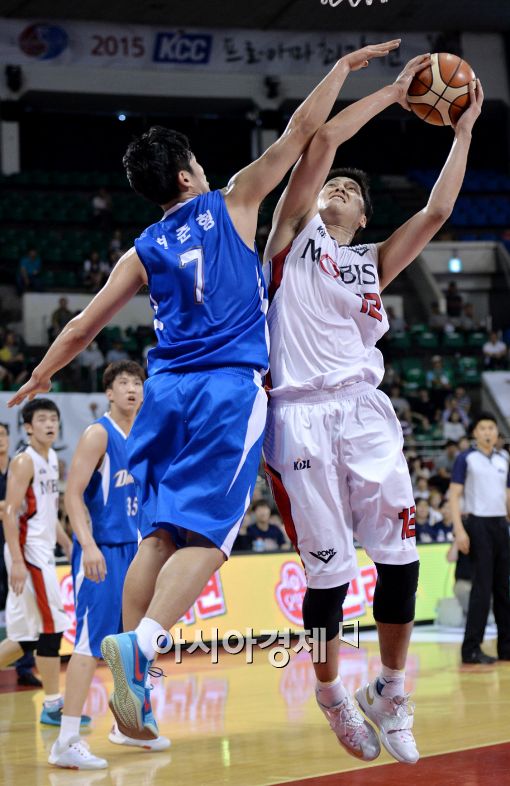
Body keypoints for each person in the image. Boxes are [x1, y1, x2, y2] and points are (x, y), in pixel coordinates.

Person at [8, 39, 403, 743]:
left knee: (160, 532)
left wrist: (41, 374)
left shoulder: (142, 247)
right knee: (212, 538)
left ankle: (133, 676)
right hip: (226, 390)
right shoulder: (233, 200)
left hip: (163, 392)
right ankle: (146, 646)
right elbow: (302, 134)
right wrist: (342, 72)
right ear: (190, 174)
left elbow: (81, 324)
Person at [262, 51, 483, 765]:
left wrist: (463, 130)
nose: (340, 187)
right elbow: (323, 141)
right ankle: (331, 695)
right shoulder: (292, 240)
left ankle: (389, 690)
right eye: (335, 184)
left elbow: (440, 210)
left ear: (363, 214)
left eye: (352, 190)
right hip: (296, 414)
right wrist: (392, 91)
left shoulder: (374, 263)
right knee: (327, 577)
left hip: (364, 410)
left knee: (398, 557)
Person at [49, 361, 170, 769]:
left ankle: (127, 726)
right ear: (109, 393)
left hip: (137, 550)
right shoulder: (98, 433)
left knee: (134, 645)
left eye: (137, 382)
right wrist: (87, 544)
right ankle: (65, 740)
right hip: (101, 550)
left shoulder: (146, 434)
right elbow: (72, 496)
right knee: (88, 643)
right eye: (124, 383)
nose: (133, 389)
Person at [0, 399, 91, 727]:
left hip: (40, 551)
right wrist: (17, 561)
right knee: (53, 626)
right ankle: (53, 705)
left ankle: (53, 703)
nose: (50, 424)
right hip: (28, 554)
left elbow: (47, 510)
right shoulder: (24, 461)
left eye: (54, 419)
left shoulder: (51, 457)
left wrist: (66, 542)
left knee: (25, 637)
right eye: (42, 419)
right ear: (28, 427)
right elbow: (9, 512)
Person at [449, 412, 510, 664]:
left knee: (505, 589)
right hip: (477, 524)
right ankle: (471, 648)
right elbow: (454, 496)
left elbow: (507, 496)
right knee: (482, 589)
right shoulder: (466, 458)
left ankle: (506, 648)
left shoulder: (504, 458)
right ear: (475, 432)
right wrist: (459, 530)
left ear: (497, 433)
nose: (487, 432)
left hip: (500, 524)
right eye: (483, 427)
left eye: (491, 428)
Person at [0, 422, 42, 687]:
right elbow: (13, 508)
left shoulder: (18, 465)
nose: (0, 439)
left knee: (25, 608)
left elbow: (25, 506)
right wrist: (8, 507)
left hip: (18, 544)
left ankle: (25, 667)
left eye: (3, 434)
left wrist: (10, 508)